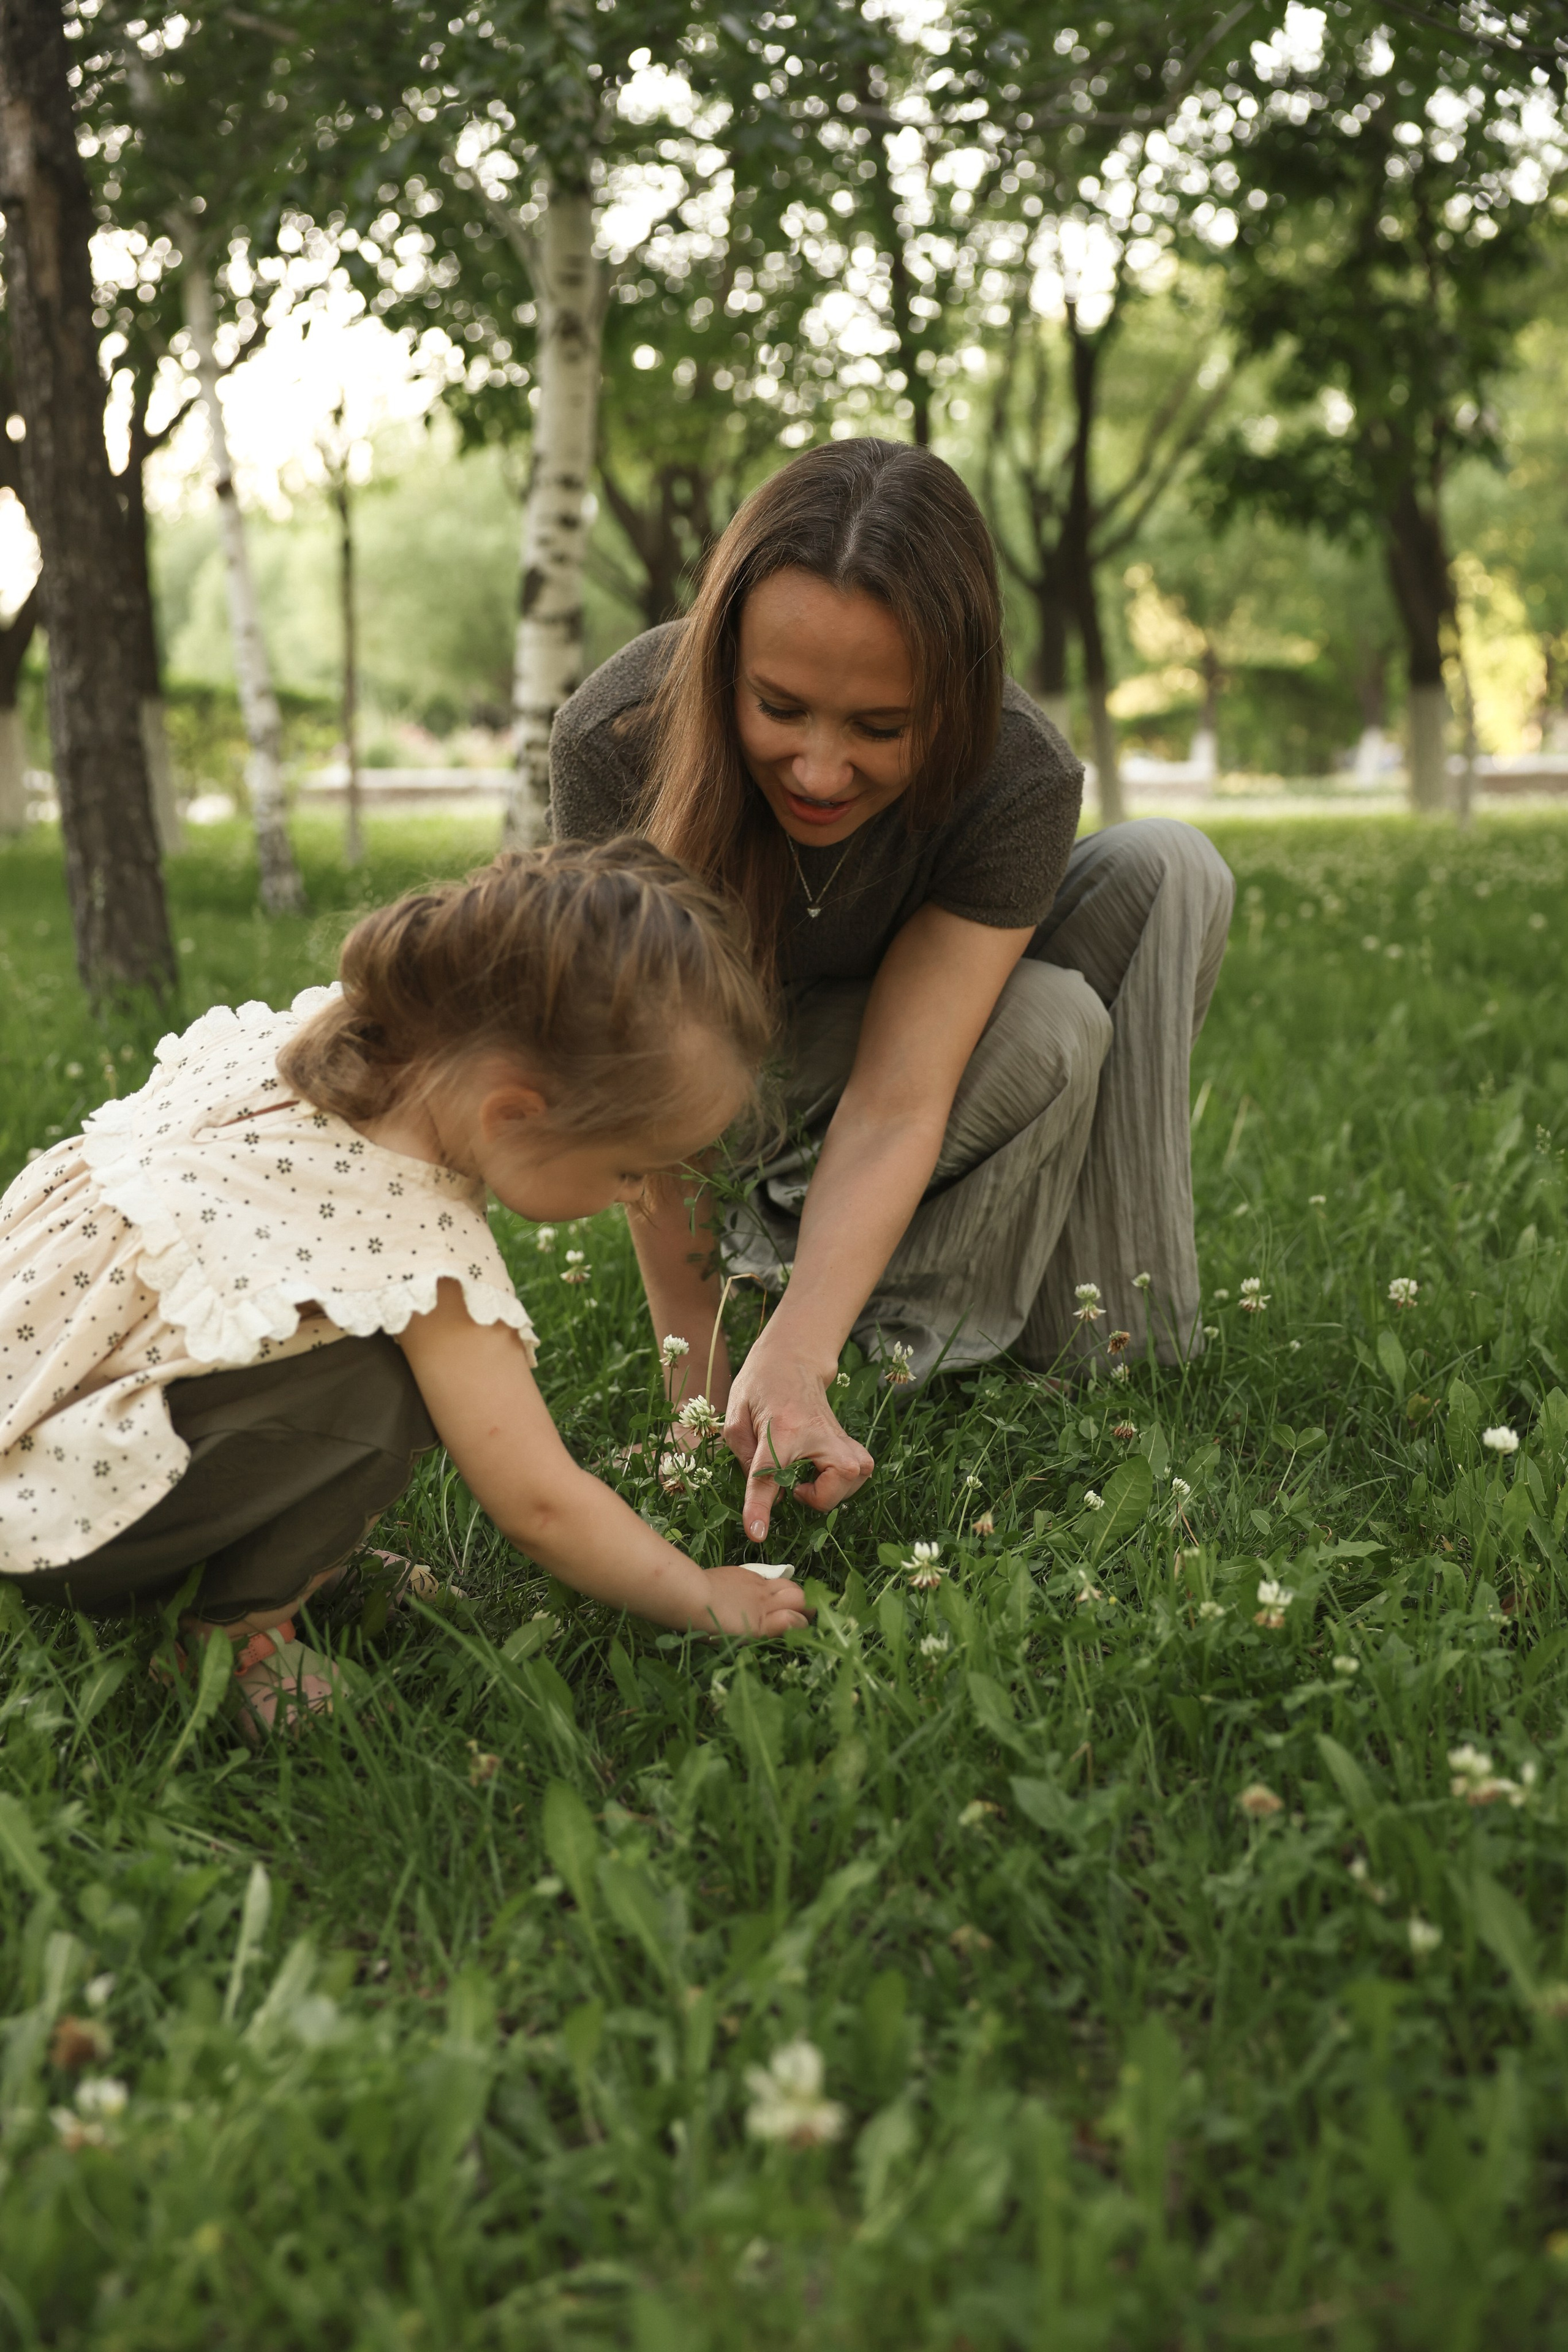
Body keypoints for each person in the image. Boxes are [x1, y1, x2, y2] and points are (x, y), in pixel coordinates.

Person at [551, 437, 1234, 1550]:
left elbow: (901, 1095)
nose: (822, 772)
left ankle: (1108, 1334)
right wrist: (700, 1387)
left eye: (881, 728)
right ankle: (864, 1333)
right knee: (1053, 1022)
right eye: (780, 708)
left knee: (1172, 865)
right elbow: (643, 1093)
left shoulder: (1018, 770)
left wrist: (798, 1350)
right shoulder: (618, 738)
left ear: (956, 701)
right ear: (726, 663)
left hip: (888, 1084)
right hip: (740, 1097)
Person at [0, 840, 809, 1731]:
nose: (644, 1196)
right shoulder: (420, 1254)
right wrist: (700, 1594)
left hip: (40, 1415)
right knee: (382, 1384)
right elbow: (541, 1503)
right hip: (63, 1514)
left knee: (327, 1350)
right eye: (631, 1169)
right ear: (514, 1113)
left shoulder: (312, 1051)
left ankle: (284, 1555)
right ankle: (227, 1636)